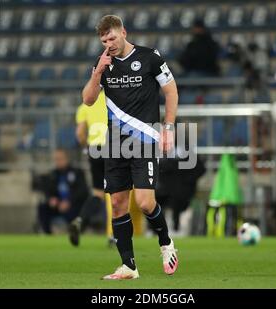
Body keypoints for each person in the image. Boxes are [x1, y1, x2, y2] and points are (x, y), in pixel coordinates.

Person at [82, 15, 179, 280]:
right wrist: (98, 73)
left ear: (123, 32)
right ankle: (129, 266)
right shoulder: (103, 64)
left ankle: (166, 242)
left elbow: (171, 91)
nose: (109, 44)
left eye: (112, 38)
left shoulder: (151, 58)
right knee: (118, 203)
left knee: (145, 202)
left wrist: (168, 127)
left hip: (145, 138)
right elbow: (88, 100)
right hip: (115, 144)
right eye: (104, 40)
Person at [73, 90, 144, 247]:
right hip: (113, 145)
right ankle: (114, 234)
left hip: (94, 149)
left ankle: (81, 219)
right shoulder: (116, 96)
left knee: (98, 192)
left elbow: (79, 133)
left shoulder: (85, 104)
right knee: (117, 191)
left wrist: (86, 147)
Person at [37, 149, 89, 235]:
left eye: (60, 159)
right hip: (58, 205)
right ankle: (48, 234)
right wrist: (51, 199)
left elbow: (83, 191)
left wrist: (69, 201)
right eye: (56, 159)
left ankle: (75, 232)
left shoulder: (77, 172)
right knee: (42, 207)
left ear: (67, 159)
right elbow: (48, 191)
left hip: (73, 205)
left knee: (78, 211)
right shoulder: (53, 174)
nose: (58, 161)